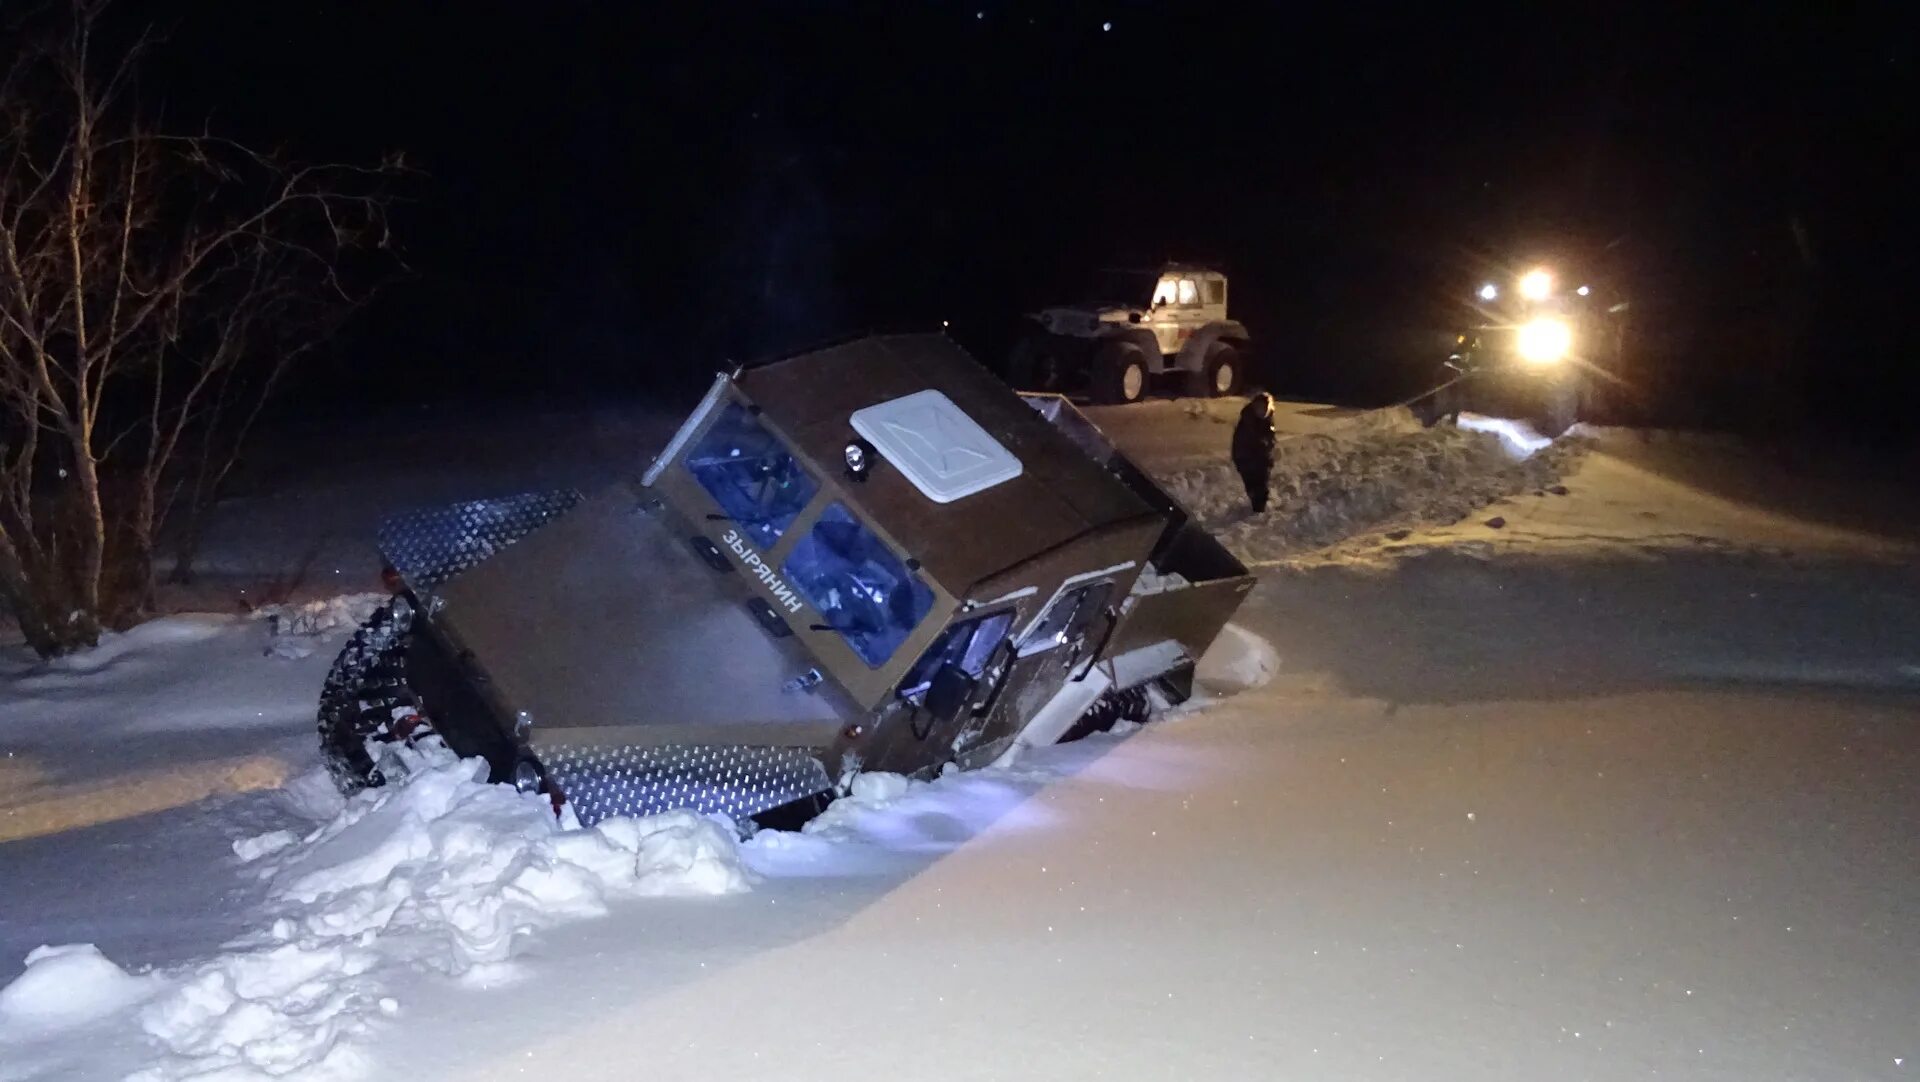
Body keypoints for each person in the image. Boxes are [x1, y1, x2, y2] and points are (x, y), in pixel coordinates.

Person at [1231, 391, 1277, 514]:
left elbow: (1271, 439)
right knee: (1252, 486)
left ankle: (1259, 508)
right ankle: (1256, 507)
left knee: (1262, 486)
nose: (1261, 411)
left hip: (1262, 459)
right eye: (1259, 407)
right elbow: (1240, 443)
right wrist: (1241, 460)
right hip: (1247, 459)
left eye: (1264, 408)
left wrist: (1268, 448)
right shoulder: (1247, 421)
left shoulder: (1268, 420)